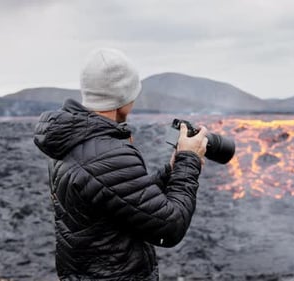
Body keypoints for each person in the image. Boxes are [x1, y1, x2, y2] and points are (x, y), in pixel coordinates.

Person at [34, 48, 208, 281]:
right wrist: (189, 162)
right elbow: (170, 227)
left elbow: (122, 198)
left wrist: (171, 171)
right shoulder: (107, 154)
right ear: (122, 98)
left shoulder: (71, 141)